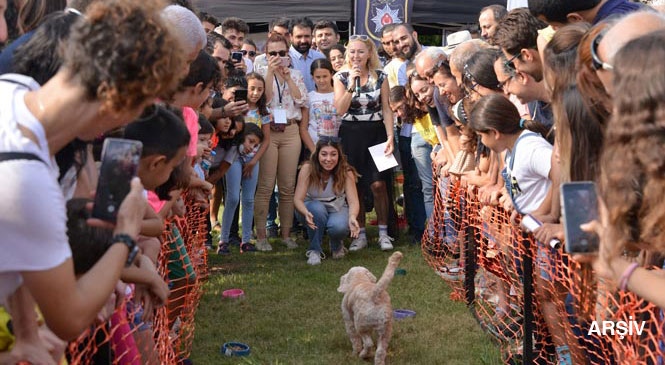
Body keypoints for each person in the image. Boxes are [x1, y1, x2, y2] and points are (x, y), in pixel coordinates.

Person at [0, 0, 184, 341]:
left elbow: (18, 245)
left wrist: (26, 331)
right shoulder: (27, 180)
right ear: (117, 99)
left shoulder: (12, 88)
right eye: (138, 108)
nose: (128, 123)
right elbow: (70, 318)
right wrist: (126, 233)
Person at [333, 34, 395, 251]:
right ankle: (359, 234)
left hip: (377, 132)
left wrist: (390, 137)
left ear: (369, 54)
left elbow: (387, 109)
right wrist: (351, 85)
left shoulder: (382, 76)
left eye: (360, 51)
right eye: (352, 51)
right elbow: (339, 110)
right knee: (355, 185)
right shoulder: (340, 76)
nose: (356, 56)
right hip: (351, 134)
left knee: (379, 184)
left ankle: (384, 232)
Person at [254, 33, 307, 251]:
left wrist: (286, 78)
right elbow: (262, 100)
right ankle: (261, 237)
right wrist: (269, 72)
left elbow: (302, 100)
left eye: (282, 53)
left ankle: (286, 234)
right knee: (265, 186)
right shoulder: (260, 73)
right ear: (266, 55)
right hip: (268, 131)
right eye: (272, 53)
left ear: (288, 54)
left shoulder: (295, 74)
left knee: (287, 187)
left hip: (291, 131)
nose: (277, 57)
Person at [294, 139, 360, 265]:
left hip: (336, 207)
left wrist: (352, 217)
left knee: (339, 227)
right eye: (324, 154)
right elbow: (297, 199)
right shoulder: (307, 168)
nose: (328, 159)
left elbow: (353, 202)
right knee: (317, 210)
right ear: (317, 154)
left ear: (339, 155)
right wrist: (305, 212)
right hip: (311, 208)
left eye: (333, 154)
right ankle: (315, 250)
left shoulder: (346, 171)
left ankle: (336, 244)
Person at [302, 58, 339, 155]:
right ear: (312, 77)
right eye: (318, 77)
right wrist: (314, 151)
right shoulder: (309, 97)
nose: (322, 80)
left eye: (325, 76)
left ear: (331, 74)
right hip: (314, 147)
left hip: (336, 148)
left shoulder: (339, 94)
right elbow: (303, 128)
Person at [288, 17, 325, 92]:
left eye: (307, 36)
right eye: (299, 36)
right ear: (290, 37)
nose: (303, 40)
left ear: (312, 36)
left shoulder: (320, 57)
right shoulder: (286, 58)